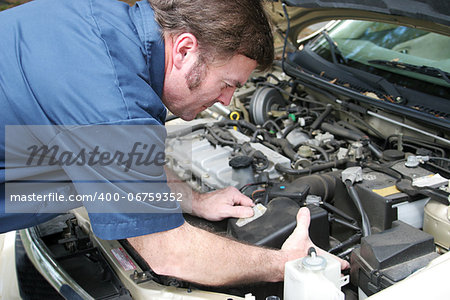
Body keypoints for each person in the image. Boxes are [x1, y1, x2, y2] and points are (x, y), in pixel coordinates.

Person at [0, 0, 349, 286]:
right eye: (228, 83)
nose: (228, 101)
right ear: (184, 49)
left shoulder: (101, 20)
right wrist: (287, 264)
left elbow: (127, 152)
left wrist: (192, 199)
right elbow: (169, 253)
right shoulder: (111, 94)